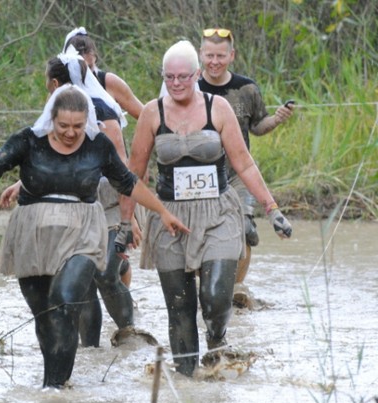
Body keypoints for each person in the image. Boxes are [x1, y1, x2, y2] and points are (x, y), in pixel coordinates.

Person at [0, 84, 189, 388]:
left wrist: (161, 211)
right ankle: (53, 384)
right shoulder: (29, 141)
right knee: (45, 317)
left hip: (83, 231)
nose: (71, 133)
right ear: (51, 119)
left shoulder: (98, 146)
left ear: (88, 121)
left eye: (78, 126)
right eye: (63, 126)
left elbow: (127, 182)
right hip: (34, 234)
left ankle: (55, 388)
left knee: (66, 300)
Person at [118, 40, 293, 377]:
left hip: (218, 212)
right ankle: (187, 382)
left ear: (197, 75)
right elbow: (133, 173)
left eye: (184, 76)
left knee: (214, 297)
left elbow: (244, 164)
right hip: (169, 215)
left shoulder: (218, 109)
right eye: (170, 77)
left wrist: (272, 210)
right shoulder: (153, 113)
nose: (177, 83)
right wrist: (126, 223)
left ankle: (217, 340)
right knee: (180, 310)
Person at [0, 47, 140, 348]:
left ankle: (129, 332)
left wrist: (131, 219)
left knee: (105, 275)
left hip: (106, 201)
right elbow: (49, 162)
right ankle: (89, 350)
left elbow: (123, 168)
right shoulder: (57, 114)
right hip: (69, 205)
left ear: (54, 83)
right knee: (84, 284)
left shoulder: (102, 110)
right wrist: (21, 184)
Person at [197, 28, 294, 306]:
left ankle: (236, 289)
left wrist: (276, 119)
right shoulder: (190, 86)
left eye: (221, 56)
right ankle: (206, 288)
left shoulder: (247, 88)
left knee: (246, 229)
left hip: (237, 172)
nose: (214, 62)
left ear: (232, 56)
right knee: (200, 232)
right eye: (209, 55)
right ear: (201, 55)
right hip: (199, 173)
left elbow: (257, 126)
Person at [63, 27, 145, 289]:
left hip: (114, 181)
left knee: (115, 263)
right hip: (79, 186)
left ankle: (122, 309)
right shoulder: (62, 90)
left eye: (88, 66)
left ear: (95, 59)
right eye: (78, 66)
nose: (83, 73)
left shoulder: (110, 84)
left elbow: (145, 117)